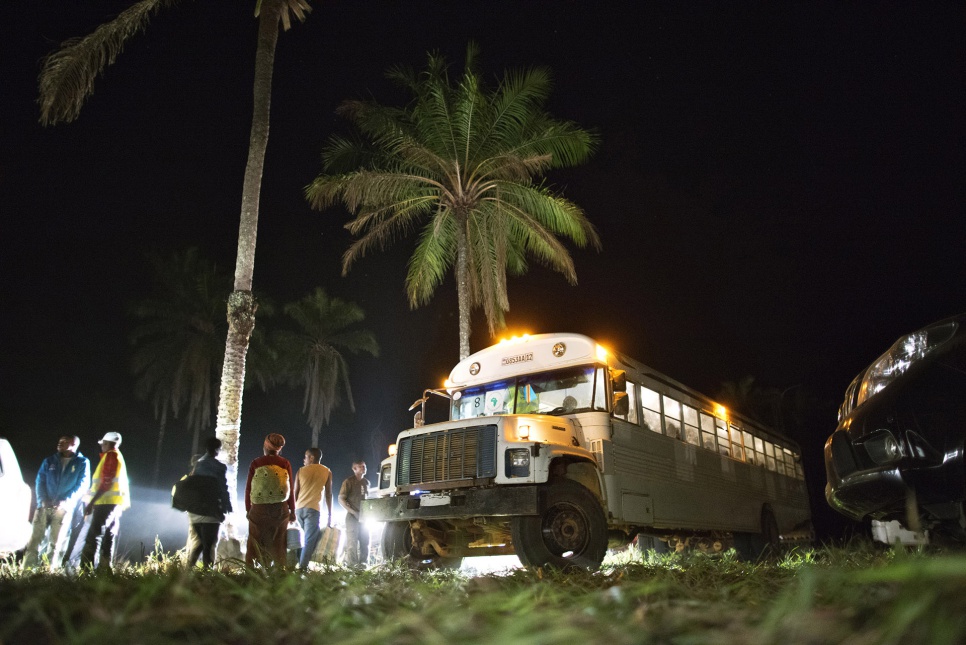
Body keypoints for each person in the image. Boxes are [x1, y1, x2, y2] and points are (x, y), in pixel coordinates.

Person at [22, 435, 90, 571]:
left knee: (56, 543)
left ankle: (49, 572)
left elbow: (82, 484)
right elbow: (40, 481)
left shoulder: (82, 462)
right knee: (35, 541)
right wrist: (42, 500)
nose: (59, 443)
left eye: (64, 442)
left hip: (63, 509)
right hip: (44, 507)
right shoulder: (49, 461)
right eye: (59, 441)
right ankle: (28, 571)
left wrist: (66, 501)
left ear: (73, 444)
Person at [80, 431, 130, 571]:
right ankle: (105, 569)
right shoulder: (118, 456)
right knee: (109, 536)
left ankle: (86, 570)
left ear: (107, 443)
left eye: (103, 443)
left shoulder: (111, 456)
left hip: (105, 503)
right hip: (114, 503)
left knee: (94, 535)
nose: (101, 446)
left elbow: (106, 483)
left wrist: (91, 502)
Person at [245, 433, 295, 568]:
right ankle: (279, 572)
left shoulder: (256, 463)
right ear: (279, 449)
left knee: (254, 542)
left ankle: (251, 572)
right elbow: (290, 488)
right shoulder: (285, 463)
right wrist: (292, 511)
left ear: (265, 446)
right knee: (279, 543)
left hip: (259, 509)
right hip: (280, 509)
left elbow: (249, 488)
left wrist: (248, 509)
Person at [186, 437, 232, 569]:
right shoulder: (219, 467)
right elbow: (223, 488)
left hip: (195, 510)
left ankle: (188, 571)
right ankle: (207, 573)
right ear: (217, 450)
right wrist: (226, 506)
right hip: (211, 510)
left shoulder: (198, 464)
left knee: (200, 542)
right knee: (210, 544)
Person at [293, 447, 333, 569]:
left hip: (299, 509)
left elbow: (295, 491)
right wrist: (330, 515)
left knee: (300, 539)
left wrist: (293, 510)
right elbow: (328, 495)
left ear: (311, 457)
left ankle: (298, 564)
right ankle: (302, 568)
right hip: (313, 510)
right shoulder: (327, 471)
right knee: (309, 540)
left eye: (305, 456)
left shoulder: (300, 471)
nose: (304, 459)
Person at [338, 460, 370, 567]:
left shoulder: (366, 483)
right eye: (360, 467)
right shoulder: (348, 482)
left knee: (365, 541)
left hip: (364, 516)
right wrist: (352, 511)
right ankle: (353, 566)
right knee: (352, 542)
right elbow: (341, 499)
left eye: (364, 466)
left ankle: (363, 564)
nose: (363, 468)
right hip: (352, 516)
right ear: (354, 469)